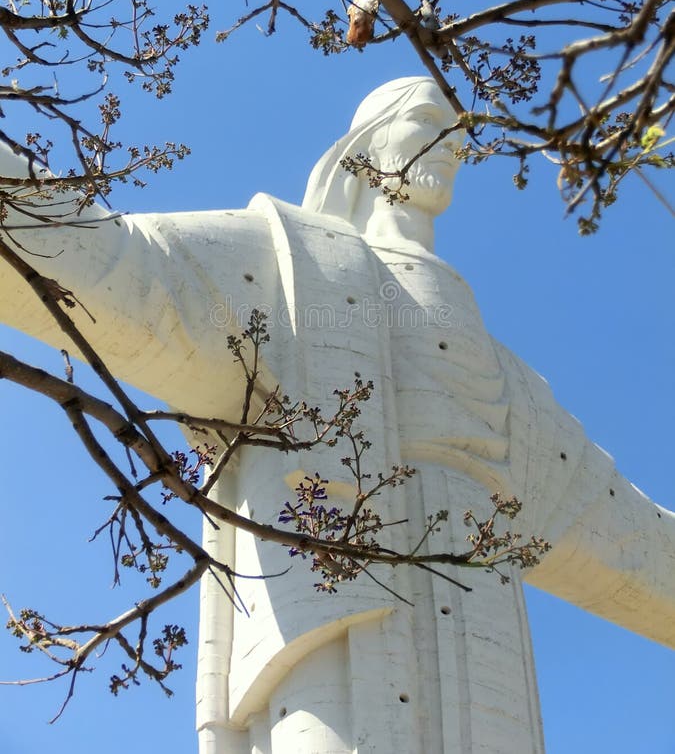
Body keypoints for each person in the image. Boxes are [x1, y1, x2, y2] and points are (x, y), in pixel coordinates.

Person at [0, 77, 673, 754]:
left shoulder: (510, 384)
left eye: (461, 139)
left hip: (482, 618)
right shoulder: (290, 257)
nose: (447, 148)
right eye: (423, 121)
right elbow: (113, 262)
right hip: (340, 625)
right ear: (362, 145)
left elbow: (636, 541)